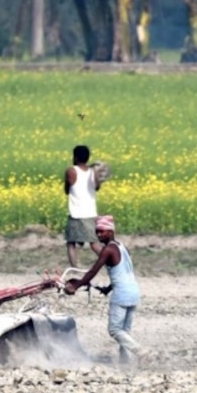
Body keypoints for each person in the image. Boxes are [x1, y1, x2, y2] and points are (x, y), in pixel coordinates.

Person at [64, 214, 144, 367]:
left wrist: (76, 285)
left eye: (102, 231)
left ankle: (141, 353)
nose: (98, 234)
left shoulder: (107, 250)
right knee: (124, 332)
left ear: (111, 232)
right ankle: (124, 361)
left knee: (114, 330)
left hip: (122, 294)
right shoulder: (121, 247)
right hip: (133, 291)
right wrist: (108, 288)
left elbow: (93, 271)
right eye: (97, 231)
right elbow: (122, 272)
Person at [64, 144, 109, 267]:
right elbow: (97, 187)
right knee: (94, 243)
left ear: (76, 157)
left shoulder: (71, 171)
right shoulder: (92, 172)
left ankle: (75, 267)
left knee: (71, 243)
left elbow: (67, 190)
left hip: (76, 214)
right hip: (90, 213)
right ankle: (110, 262)